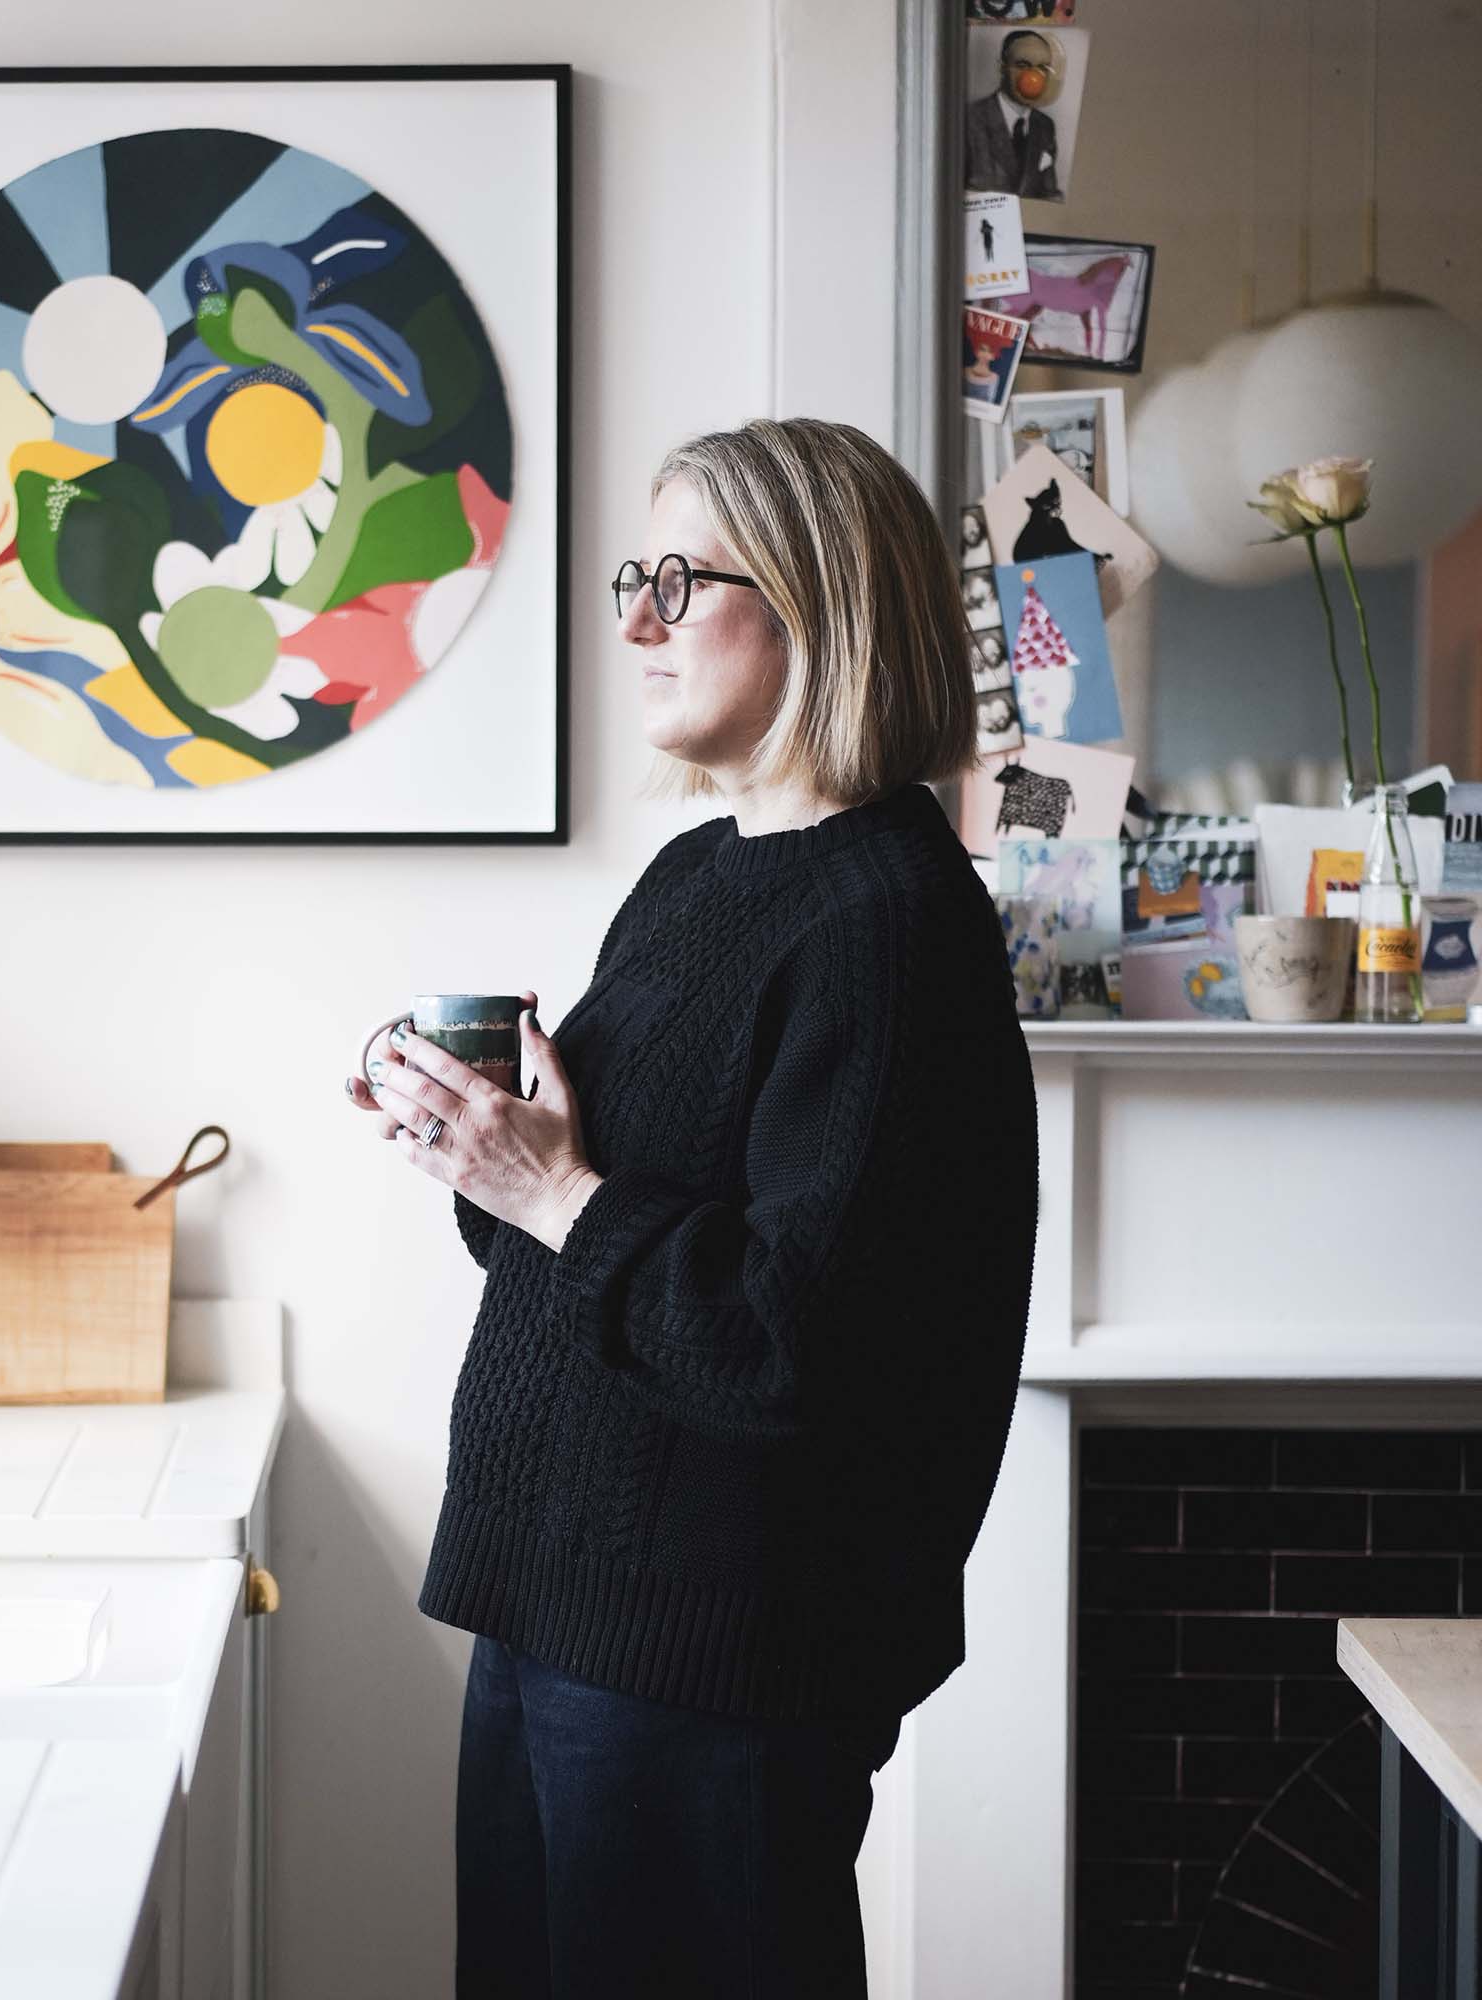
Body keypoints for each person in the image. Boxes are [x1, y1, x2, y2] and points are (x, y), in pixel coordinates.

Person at [343, 416, 1039, 1997]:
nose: (640, 619)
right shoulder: (700, 879)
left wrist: (555, 1187)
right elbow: (570, 1233)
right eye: (633, 579)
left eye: (683, 577)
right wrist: (481, 1149)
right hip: (559, 1598)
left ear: (822, 599)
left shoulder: (887, 925)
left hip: (712, 1648)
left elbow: (790, 1340)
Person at [966, 29, 1062, 198]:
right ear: (1002, 67)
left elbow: (1050, 194)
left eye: (1042, 68)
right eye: (1022, 65)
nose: (1033, 78)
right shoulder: (969, 119)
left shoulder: (1045, 126)